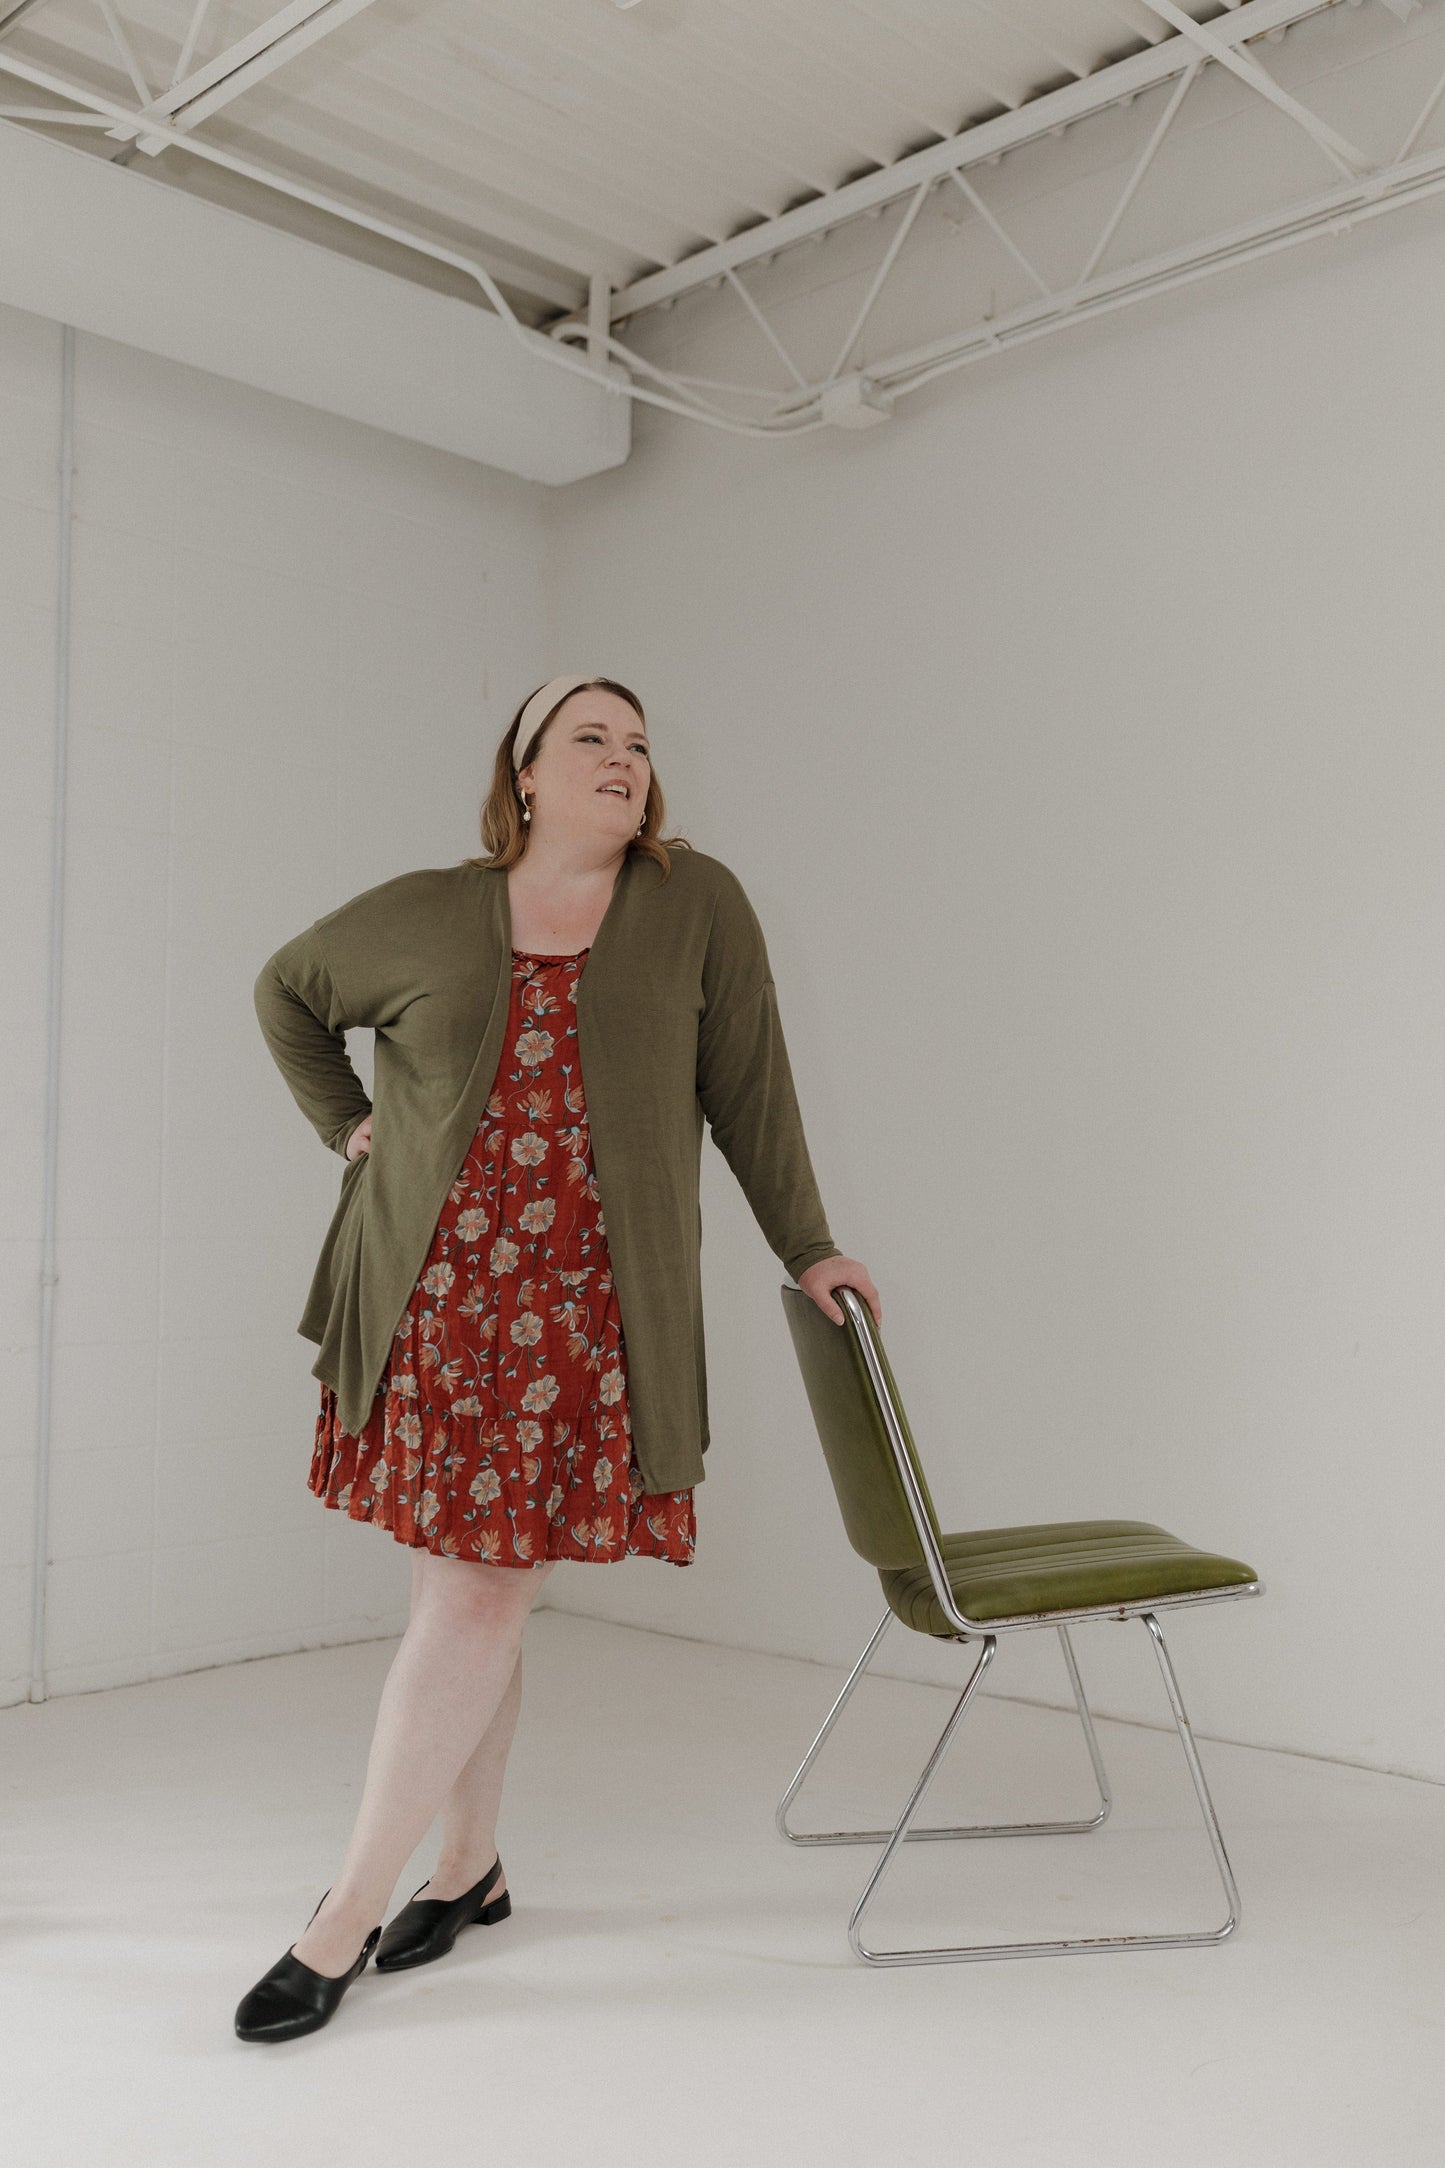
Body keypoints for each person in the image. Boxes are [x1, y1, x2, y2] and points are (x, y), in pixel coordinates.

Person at [236, 674, 881, 2041]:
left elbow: (751, 1088)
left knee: (478, 1596)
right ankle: (464, 1868)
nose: (622, 758)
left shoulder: (696, 904)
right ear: (523, 772)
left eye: (637, 743)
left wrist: (808, 1244)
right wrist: (349, 1125)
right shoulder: (428, 908)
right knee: (468, 1593)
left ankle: (344, 1913)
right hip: (435, 1307)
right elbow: (287, 991)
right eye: (590, 737)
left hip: (586, 1318)